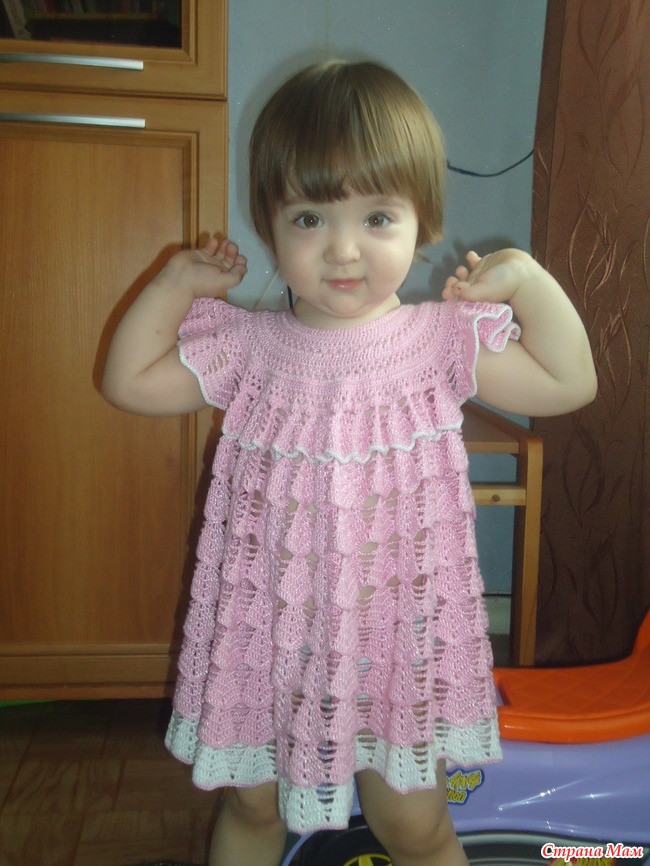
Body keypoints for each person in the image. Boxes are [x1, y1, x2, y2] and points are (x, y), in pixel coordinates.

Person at [102, 60, 597, 866]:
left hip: (392, 646)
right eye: (308, 218)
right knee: (252, 807)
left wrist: (528, 280)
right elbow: (127, 382)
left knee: (415, 827)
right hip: (270, 640)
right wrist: (174, 283)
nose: (342, 249)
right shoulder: (248, 348)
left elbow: (570, 382)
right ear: (269, 225)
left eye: (377, 216)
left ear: (422, 221)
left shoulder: (440, 343)